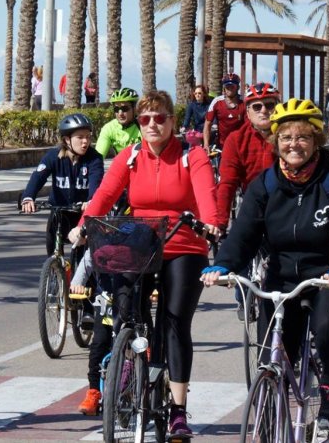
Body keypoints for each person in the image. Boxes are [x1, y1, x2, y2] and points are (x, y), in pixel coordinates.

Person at [201, 98, 329, 435]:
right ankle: (274, 405)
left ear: (317, 139)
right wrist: (222, 265)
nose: (294, 145)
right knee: (274, 350)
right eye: (286, 138)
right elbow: (244, 233)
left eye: (303, 137)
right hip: (282, 277)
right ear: (276, 142)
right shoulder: (264, 184)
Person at [69, 91, 223, 435]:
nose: (152, 124)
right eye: (145, 119)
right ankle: (129, 358)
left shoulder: (190, 155)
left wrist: (211, 223)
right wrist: (83, 227)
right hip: (141, 241)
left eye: (160, 118)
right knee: (124, 312)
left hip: (184, 244)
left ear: (172, 121)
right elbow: (105, 195)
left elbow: (205, 194)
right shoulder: (131, 156)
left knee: (174, 323)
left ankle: (179, 410)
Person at [20, 114, 105, 255]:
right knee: (52, 250)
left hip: (82, 213)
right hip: (59, 213)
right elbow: (38, 176)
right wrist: (28, 197)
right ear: (67, 139)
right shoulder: (53, 156)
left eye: (88, 137)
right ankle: (54, 273)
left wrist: (91, 200)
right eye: (80, 137)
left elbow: (96, 181)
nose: (85, 142)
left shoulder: (94, 158)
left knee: (84, 256)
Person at [216, 82, 279, 221]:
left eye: (269, 105)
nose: (263, 111)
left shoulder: (287, 135)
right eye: (257, 107)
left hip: (285, 204)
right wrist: (220, 223)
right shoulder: (236, 140)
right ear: (248, 112)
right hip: (252, 203)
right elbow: (227, 183)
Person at [94, 88, 141, 159]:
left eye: (125, 108)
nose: (120, 113)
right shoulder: (109, 128)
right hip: (121, 166)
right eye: (116, 109)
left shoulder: (144, 126)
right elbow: (98, 157)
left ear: (135, 109)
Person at [204, 73, 245, 150]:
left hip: (241, 146)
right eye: (227, 87)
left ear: (238, 87)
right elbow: (207, 123)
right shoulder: (217, 101)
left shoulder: (244, 102)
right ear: (224, 88)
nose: (230, 89)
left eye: (232, 86)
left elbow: (250, 125)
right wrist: (206, 144)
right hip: (222, 145)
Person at [180, 84, 210, 150]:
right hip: (198, 131)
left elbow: (213, 117)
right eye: (195, 93)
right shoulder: (191, 105)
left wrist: (214, 124)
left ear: (204, 94)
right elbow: (187, 119)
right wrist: (184, 127)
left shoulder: (209, 105)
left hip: (208, 130)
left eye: (199, 93)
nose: (197, 95)